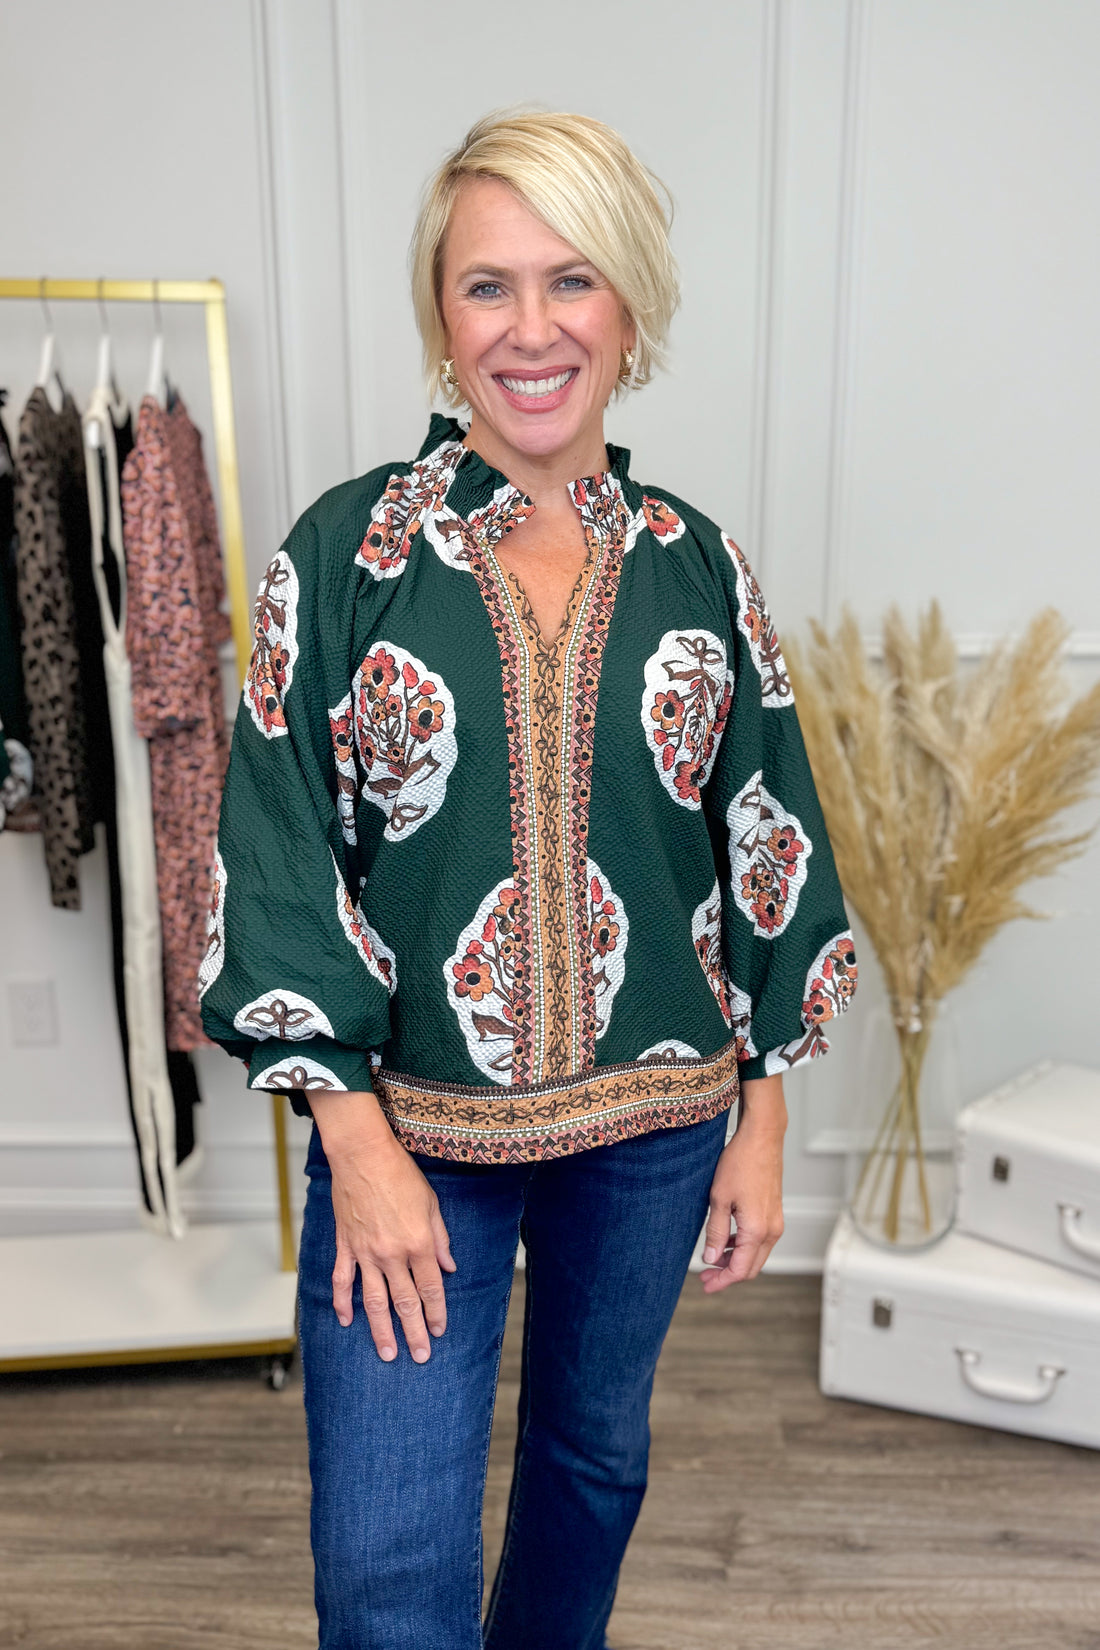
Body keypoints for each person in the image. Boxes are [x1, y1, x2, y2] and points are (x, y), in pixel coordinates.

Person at [201, 109, 858, 1650]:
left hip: (656, 1131)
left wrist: (764, 1118)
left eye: (572, 279)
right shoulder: (346, 556)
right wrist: (353, 1142)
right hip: (409, 1136)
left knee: (592, 1461)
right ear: (443, 319)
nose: (532, 326)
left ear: (629, 307)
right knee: (387, 1555)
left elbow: (767, 841)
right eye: (487, 285)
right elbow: (278, 851)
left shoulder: (701, 567)